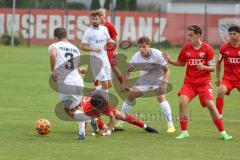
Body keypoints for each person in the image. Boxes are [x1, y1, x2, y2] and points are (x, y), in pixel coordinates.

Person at [163, 25, 232, 140]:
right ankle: (184, 132)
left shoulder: (207, 49)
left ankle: (223, 133)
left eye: (191, 35)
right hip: (189, 83)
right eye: (188, 35)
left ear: (199, 35)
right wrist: (170, 61)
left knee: (210, 105)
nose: (189, 38)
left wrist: (204, 67)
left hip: (204, 83)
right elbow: (181, 63)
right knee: (182, 102)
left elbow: (213, 68)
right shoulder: (186, 48)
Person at [116, 36, 176, 133]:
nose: (141, 49)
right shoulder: (136, 56)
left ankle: (170, 125)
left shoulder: (157, 54)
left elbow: (167, 71)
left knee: (161, 98)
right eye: (139, 47)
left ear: (149, 46)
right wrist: (124, 82)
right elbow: (127, 71)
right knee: (130, 96)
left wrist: (164, 83)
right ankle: (120, 121)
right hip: (145, 79)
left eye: (144, 47)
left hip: (158, 78)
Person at [48, 27, 87, 139]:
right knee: (78, 106)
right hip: (78, 82)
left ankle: (87, 119)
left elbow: (53, 54)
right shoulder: (75, 48)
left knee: (67, 110)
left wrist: (53, 71)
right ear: (66, 36)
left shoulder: (54, 46)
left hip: (65, 83)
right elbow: (78, 68)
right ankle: (81, 133)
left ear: (55, 37)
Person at [75, 94, 159, 140]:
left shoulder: (104, 103)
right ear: (94, 107)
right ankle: (114, 128)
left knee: (121, 116)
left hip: (94, 107)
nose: (103, 109)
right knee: (101, 127)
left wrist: (109, 131)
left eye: (103, 107)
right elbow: (89, 129)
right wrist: (96, 132)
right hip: (87, 112)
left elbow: (112, 117)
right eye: (101, 108)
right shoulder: (86, 110)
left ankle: (145, 126)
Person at [80, 11, 115, 100]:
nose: (94, 21)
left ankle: (90, 94)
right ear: (90, 20)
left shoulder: (104, 29)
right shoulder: (88, 32)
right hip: (96, 60)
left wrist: (111, 41)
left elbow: (108, 39)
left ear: (100, 19)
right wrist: (93, 49)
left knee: (110, 84)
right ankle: (106, 106)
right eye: (93, 19)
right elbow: (82, 46)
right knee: (105, 85)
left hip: (105, 59)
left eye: (96, 19)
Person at [215, 25, 240, 118]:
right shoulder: (224, 48)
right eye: (230, 34)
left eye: (234, 34)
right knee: (221, 90)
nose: (232, 36)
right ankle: (218, 114)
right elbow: (218, 63)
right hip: (228, 79)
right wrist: (217, 77)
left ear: (239, 35)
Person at [97, 8, 123, 85]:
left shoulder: (109, 25)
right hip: (100, 50)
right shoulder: (96, 26)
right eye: (99, 15)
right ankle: (99, 85)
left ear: (105, 15)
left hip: (109, 50)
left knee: (113, 67)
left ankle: (123, 83)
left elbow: (115, 38)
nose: (100, 16)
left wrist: (115, 50)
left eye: (102, 15)